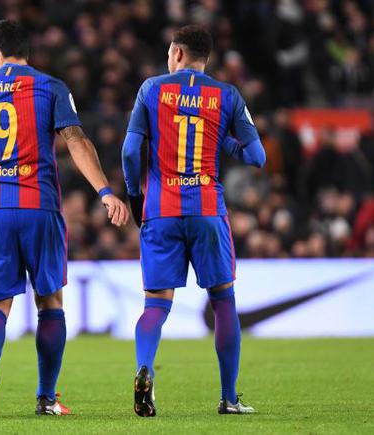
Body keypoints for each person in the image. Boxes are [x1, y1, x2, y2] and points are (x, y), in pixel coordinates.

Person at [0, 20, 129, 418]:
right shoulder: (51, 86)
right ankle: (46, 398)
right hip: (39, 206)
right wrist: (104, 191)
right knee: (49, 302)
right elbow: (76, 140)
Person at [121, 24, 265, 417]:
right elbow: (257, 157)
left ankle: (145, 369)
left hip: (161, 211)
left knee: (155, 305)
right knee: (223, 302)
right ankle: (229, 398)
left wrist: (135, 198)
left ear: (179, 54)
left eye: (170, 52)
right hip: (206, 210)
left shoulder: (151, 89)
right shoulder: (227, 95)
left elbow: (130, 151)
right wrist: (224, 140)